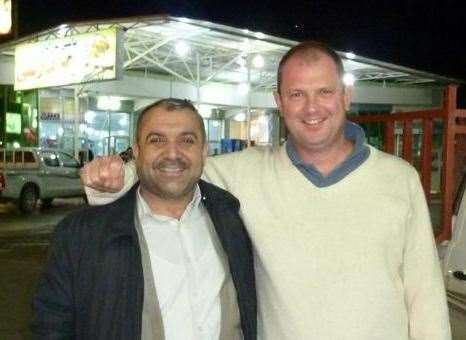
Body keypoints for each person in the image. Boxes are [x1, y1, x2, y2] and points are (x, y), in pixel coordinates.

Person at [81, 41, 451, 339]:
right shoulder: (248, 172)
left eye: (324, 91)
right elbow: (172, 168)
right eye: (296, 94)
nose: (311, 108)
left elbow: (425, 297)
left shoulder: (398, 178)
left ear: (345, 96)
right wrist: (113, 179)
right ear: (278, 102)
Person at [31, 99, 256, 340]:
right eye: (157, 140)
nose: (172, 153)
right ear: (137, 152)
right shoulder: (83, 234)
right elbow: (51, 324)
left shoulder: (232, 219)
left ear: (204, 152)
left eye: (187, 140)